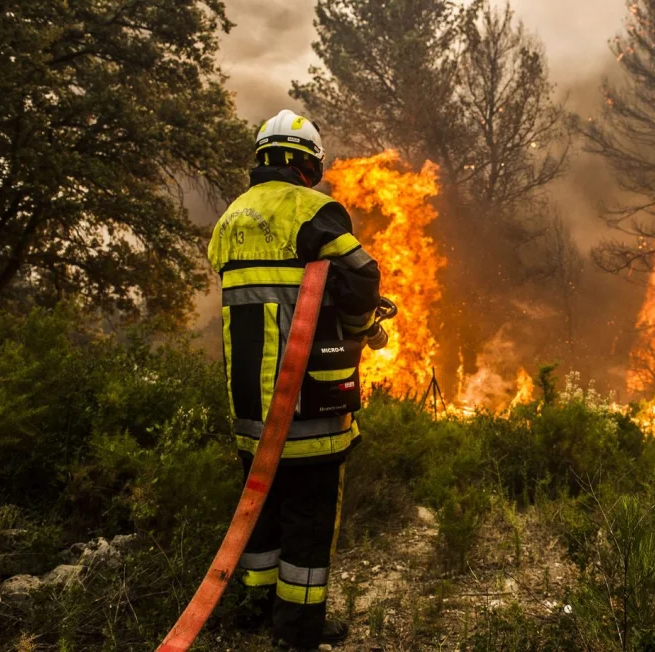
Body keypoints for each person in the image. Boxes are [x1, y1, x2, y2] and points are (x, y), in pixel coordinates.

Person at [207, 109, 385, 651]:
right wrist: (358, 327)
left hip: (248, 402)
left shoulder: (230, 219)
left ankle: (254, 609)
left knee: (258, 510)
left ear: (261, 161)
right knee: (308, 520)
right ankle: (299, 631)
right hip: (305, 400)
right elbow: (363, 277)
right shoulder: (315, 211)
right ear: (309, 165)